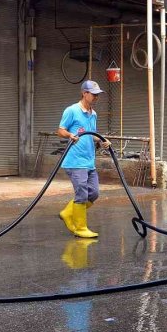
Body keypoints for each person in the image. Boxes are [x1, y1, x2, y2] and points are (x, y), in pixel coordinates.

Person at [57, 80, 111, 238]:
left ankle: (67, 213)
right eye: (93, 94)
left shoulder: (93, 114)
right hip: (75, 161)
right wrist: (69, 135)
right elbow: (60, 130)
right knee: (81, 194)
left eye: (97, 95)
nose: (96, 97)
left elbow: (91, 134)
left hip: (89, 161)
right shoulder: (72, 110)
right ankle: (80, 229)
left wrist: (102, 141)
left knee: (93, 193)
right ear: (84, 93)